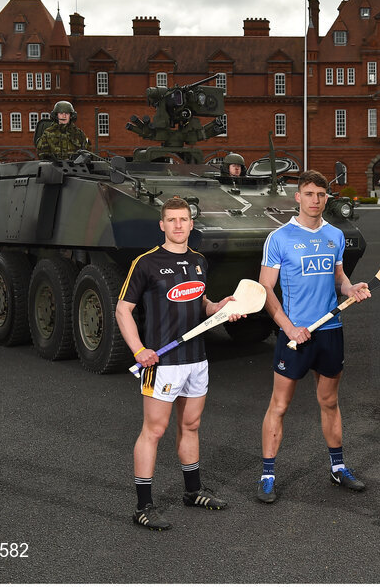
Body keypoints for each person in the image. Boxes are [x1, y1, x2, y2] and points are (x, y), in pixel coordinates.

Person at [117, 196, 242, 531]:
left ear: (191, 223)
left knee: (191, 426)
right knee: (154, 430)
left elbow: (199, 302)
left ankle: (193, 491)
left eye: (183, 219)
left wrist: (221, 306)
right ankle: (143, 507)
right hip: (162, 362)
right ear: (162, 225)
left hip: (196, 360)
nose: (177, 225)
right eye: (171, 220)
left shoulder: (199, 260)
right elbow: (122, 310)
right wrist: (138, 349)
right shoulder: (145, 263)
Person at [256, 170, 371, 504]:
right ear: (298, 197)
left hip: (330, 332)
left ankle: (338, 468)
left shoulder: (334, 235)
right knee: (279, 404)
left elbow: (338, 277)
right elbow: (265, 288)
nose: (316, 200)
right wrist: (287, 327)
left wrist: (351, 288)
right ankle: (267, 474)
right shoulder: (279, 238)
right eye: (309, 194)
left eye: (321, 195)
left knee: (330, 402)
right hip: (295, 335)